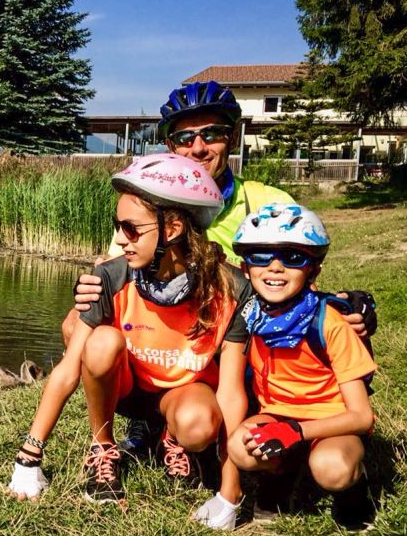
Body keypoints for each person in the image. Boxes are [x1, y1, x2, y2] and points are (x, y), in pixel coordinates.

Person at [8, 153, 252, 530]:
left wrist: (230, 493)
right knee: (101, 342)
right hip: (126, 389)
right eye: (117, 226)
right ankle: (104, 449)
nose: (119, 240)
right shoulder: (112, 276)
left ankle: (171, 438)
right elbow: (67, 370)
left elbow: (232, 394)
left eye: (131, 229)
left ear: (171, 228)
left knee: (199, 425)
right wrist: (29, 456)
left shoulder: (231, 289)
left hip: (182, 392)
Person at [65, 80, 376, 344]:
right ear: (172, 147)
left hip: (235, 335)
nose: (198, 148)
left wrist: (345, 304)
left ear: (233, 138)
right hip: (168, 331)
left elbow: (301, 282)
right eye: (185, 139)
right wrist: (94, 284)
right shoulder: (148, 206)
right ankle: (141, 408)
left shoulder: (267, 202)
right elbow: (118, 267)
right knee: (74, 323)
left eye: (211, 134)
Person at [227, 204, 377, 529]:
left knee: (332, 467)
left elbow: (361, 415)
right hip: (278, 412)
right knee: (240, 446)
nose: (276, 268)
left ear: (314, 270)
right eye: (261, 257)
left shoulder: (330, 323)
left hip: (335, 420)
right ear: (245, 268)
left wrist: (297, 431)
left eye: (293, 257)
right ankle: (281, 475)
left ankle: (354, 489)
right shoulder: (249, 320)